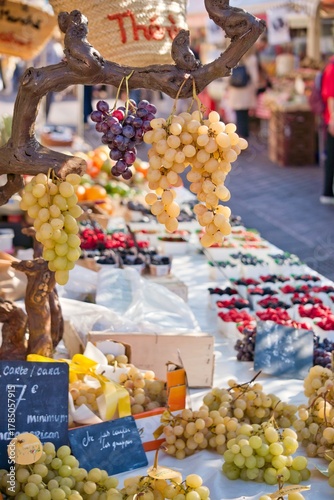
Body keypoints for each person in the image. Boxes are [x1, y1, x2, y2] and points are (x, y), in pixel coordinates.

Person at [226, 48, 259, 139]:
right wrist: (254, 89)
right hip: (246, 92)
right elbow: (254, 78)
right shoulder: (251, 58)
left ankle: (241, 136)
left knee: (239, 115)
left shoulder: (233, 58)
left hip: (235, 92)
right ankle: (243, 136)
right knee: (244, 115)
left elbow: (227, 77)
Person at [320, 54, 334, 204]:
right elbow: (330, 96)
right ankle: (327, 192)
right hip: (332, 120)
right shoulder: (332, 68)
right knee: (331, 157)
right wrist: (332, 121)